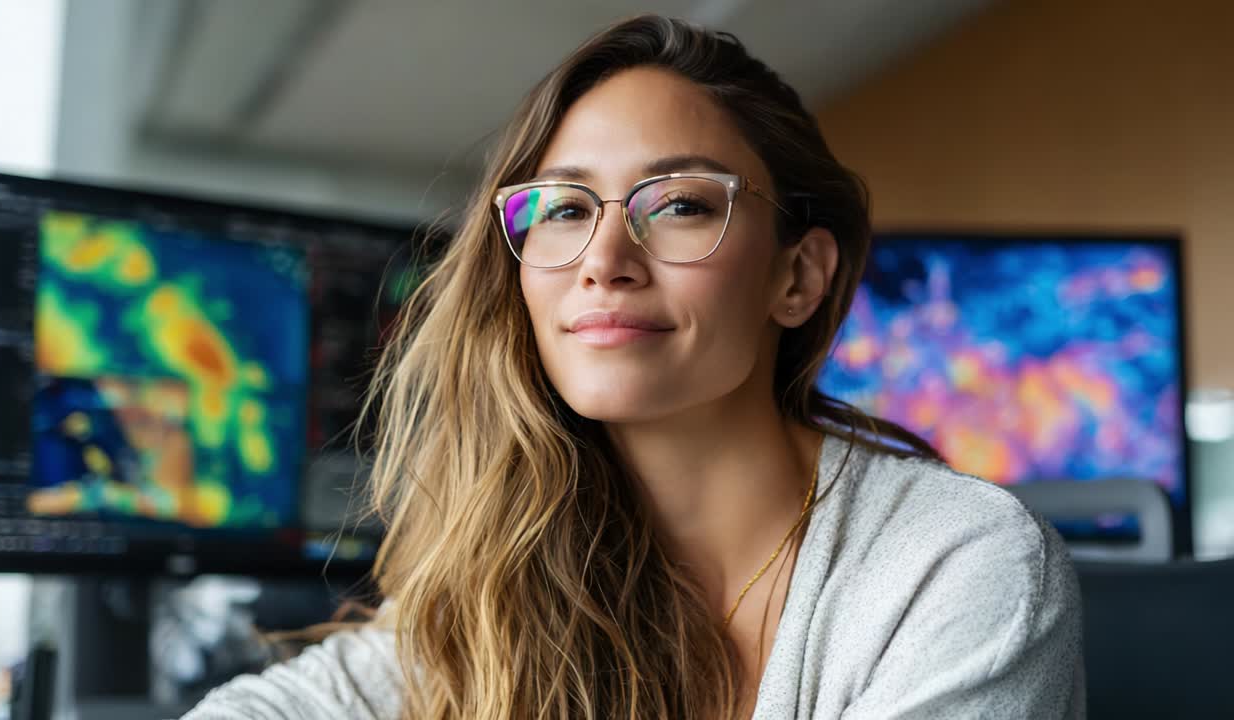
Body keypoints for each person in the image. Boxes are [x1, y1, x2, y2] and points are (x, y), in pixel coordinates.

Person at [183, 14, 1084, 720]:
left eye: (681, 203)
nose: (603, 256)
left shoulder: (958, 564)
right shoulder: (512, 564)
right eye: (564, 208)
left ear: (797, 276)